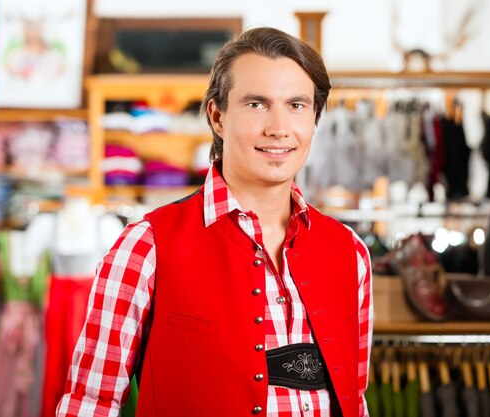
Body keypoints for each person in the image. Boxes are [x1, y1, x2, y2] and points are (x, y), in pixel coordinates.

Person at [55, 27, 373, 416]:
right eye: (256, 104)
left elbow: (354, 399)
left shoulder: (350, 251)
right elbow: (91, 402)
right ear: (217, 116)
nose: (278, 127)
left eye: (297, 105)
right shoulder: (146, 246)